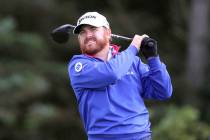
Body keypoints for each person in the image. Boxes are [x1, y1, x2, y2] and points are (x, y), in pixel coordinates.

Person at [68, 11, 172, 140]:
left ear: (108, 32)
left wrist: (153, 58)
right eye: (82, 32)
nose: (88, 35)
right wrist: (134, 47)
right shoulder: (78, 65)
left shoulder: (133, 62)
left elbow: (163, 91)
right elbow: (111, 73)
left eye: (93, 29)